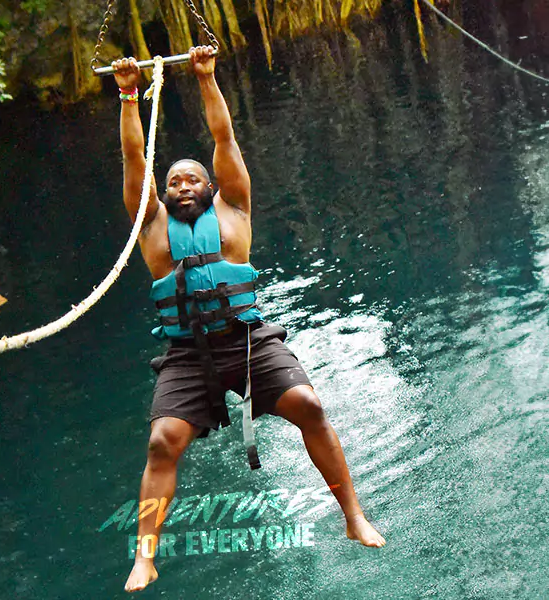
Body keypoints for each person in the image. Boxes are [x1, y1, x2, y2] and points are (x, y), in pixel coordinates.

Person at [113, 46, 386, 593]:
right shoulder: (150, 225)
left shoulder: (235, 210)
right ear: (162, 195)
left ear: (212, 187)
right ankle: (145, 555)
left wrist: (207, 78)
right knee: (162, 442)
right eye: (174, 183)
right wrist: (126, 95)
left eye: (192, 179)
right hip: (187, 352)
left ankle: (353, 515)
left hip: (247, 339)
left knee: (308, 404)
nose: (183, 185)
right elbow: (134, 158)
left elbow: (224, 140)